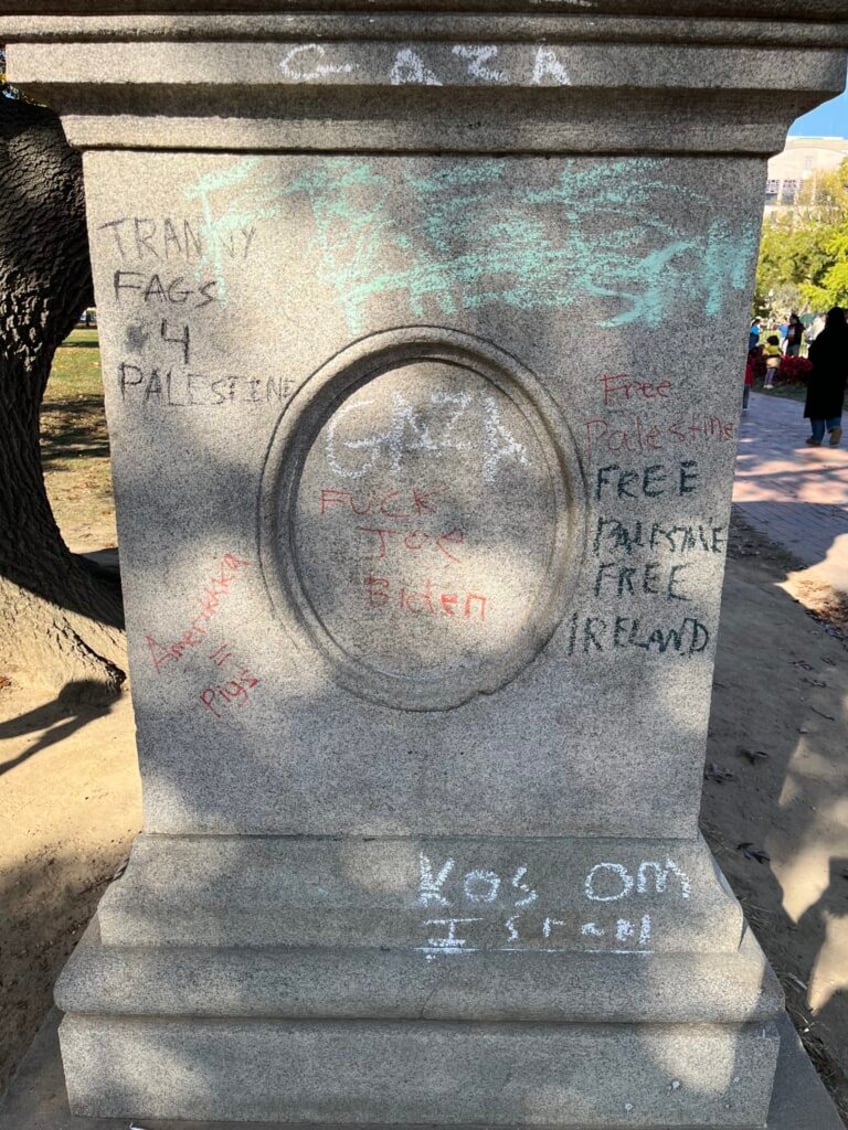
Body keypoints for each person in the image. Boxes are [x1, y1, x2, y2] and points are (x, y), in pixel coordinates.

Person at [804, 306, 848, 447]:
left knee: (816, 406)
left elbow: (814, 353)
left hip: (820, 376)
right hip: (839, 377)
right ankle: (835, 427)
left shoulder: (826, 334)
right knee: (834, 404)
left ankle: (817, 437)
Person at [743, 345, 760, 411]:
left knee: (741, 395)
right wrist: (752, 384)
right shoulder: (749, 367)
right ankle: (745, 407)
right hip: (748, 384)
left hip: (743, 383)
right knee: (746, 396)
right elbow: (751, 376)